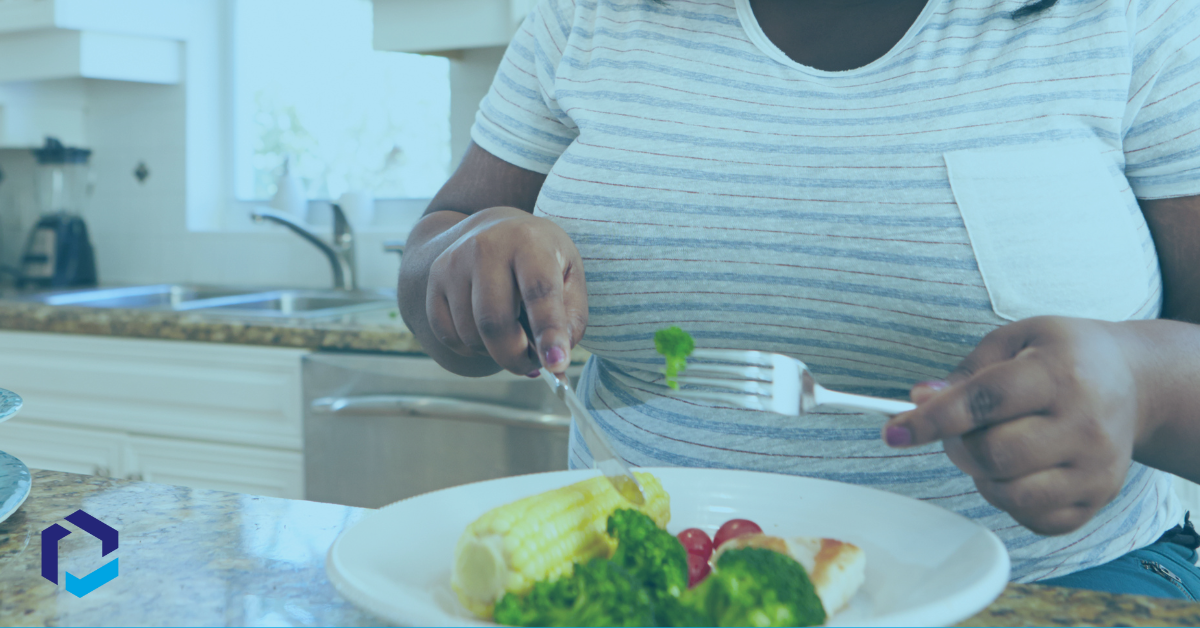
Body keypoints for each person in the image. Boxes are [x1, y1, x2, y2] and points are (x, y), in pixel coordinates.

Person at [399, 0, 1200, 597]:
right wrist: (468, 255)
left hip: (1063, 586)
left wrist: (1143, 385)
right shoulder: (592, 16)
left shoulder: (1135, 19)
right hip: (649, 587)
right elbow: (442, 242)